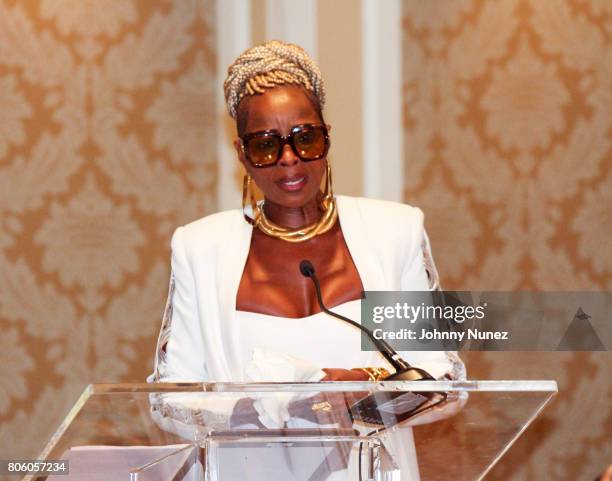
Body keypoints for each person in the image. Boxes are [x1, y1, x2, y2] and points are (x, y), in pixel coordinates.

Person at [149, 40, 465, 480]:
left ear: (327, 136)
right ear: (242, 154)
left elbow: (444, 382)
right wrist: (263, 408)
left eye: (306, 138)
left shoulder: (394, 232)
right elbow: (169, 401)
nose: (289, 159)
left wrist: (356, 385)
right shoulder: (201, 248)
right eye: (266, 145)